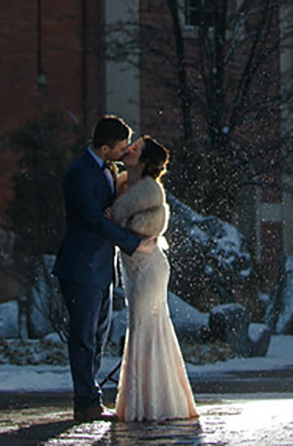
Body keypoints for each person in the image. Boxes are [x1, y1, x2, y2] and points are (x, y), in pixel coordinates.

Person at [53, 115, 158, 423]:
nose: (126, 150)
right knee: (84, 337)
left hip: (100, 268)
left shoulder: (108, 169)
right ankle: (86, 402)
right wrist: (133, 243)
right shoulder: (79, 174)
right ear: (104, 147)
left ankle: (91, 398)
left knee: (99, 335)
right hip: (81, 267)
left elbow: (107, 213)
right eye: (122, 146)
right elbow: (93, 219)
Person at [110, 136, 198, 422]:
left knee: (146, 327)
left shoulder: (148, 189)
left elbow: (124, 220)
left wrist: (112, 214)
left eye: (135, 149)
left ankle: (149, 404)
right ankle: (147, 401)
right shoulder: (125, 183)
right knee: (144, 328)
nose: (129, 149)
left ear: (145, 161)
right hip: (136, 267)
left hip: (149, 269)